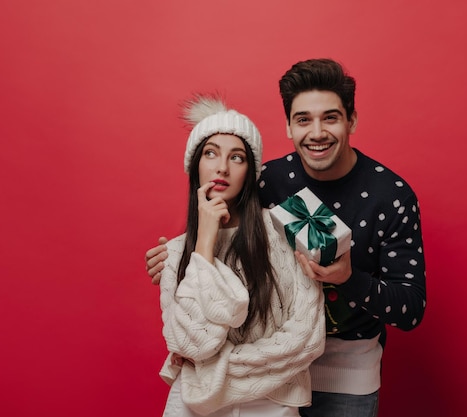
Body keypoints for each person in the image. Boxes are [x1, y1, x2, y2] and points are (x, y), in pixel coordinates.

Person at [146, 59, 427, 417]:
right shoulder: (272, 180)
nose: (317, 132)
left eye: (331, 117)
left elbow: (411, 308)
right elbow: (230, 224)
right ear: (288, 126)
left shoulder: (391, 194)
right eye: (303, 119)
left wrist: (348, 279)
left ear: (351, 120)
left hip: (344, 378)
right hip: (261, 380)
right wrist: (179, 253)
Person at [157, 94, 325, 417]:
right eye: (210, 153)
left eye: (237, 157)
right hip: (194, 406)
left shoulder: (286, 229)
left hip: (271, 406)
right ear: (195, 165)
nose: (222, 167)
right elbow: (189, 342)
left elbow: (307, 337)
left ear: (250, 170)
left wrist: (211, 369)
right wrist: (204, 244)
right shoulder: (176, 251)